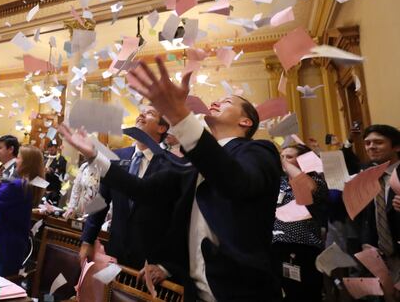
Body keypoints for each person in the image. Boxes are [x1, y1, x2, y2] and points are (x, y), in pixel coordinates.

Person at [60, 57, 282, 302]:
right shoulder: (192, 164)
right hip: (192, 292)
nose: (216, 101)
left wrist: (180, 117)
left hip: (242, 292)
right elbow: (143, 191)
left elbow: (235, 181)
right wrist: (95, 156)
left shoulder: (259, 151)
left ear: (245, 122)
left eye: (227, 101)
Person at [80, 105, 176, 272]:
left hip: (149, 260)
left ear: (162, 128)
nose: (141, 115)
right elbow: (100, 201)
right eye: (141, 111)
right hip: (115, 251)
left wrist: (165, 266)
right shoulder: (117, 156)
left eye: (150, 113)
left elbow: (175, 219)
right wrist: (87, 240)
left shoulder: (171, 164)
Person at [0, 145, 44, 276]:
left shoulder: (20, 185)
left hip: (5, 245)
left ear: (27, 162)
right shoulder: (25, 184)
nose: (16, 160)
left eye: (18, 157)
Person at [273, 144, 328, 302]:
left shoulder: (316, 180)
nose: (284, 160)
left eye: (289, 157)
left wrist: (283, 163)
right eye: (282, 157)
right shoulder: (280, 182)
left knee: (304, 294)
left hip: (302, 246)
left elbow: (307, 189)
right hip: (276, 244)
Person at [358, 125, 400, 283]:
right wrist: (366, 243)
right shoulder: (367, 175)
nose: (371, 147)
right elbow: (367, 216)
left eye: (378, 142)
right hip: (380, 257)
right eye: (367, 143)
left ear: (396, 146)